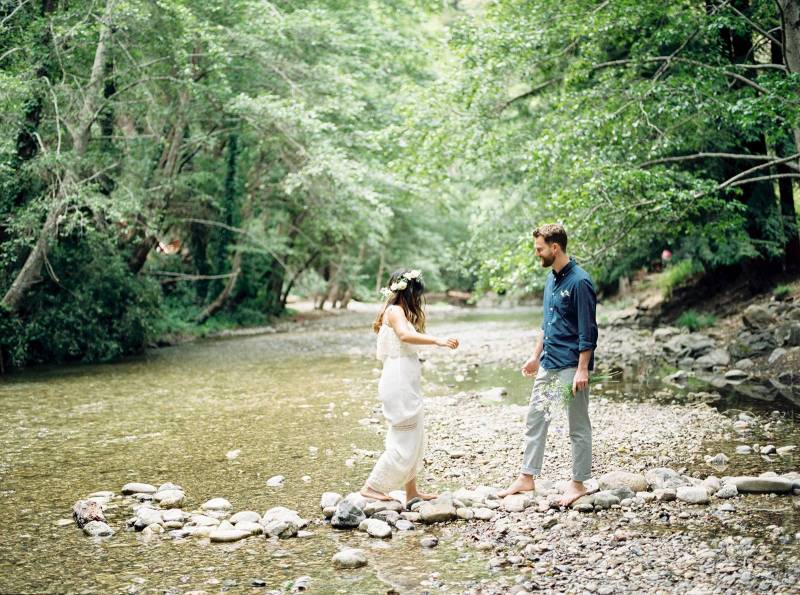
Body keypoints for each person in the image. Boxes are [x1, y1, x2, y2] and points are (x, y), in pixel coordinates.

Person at [498, 224, 598, 506]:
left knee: (576, 424)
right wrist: (534, 355)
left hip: (571, 365)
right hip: (549, 361)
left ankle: (578, 482)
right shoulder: (551, 280)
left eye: (539, 249)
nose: (537, 254)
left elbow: (587, 330)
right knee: (536, 418)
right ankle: (527, 476)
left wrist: (582, 369)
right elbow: (547, 324)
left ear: (555, 247)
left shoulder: (580, 282)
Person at [360, 269, 459, 504]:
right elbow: (404, 336)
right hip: (398, 382)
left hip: (405, 380)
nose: (418, 299)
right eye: (417, 293)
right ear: (408, 291)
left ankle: (411, 491)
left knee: (415, 435)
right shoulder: (394, 311)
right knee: (404, 436)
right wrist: (437, 340)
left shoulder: (399, 311)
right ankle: (371, 486)